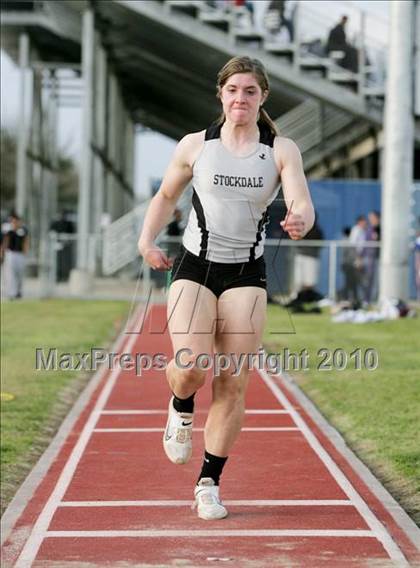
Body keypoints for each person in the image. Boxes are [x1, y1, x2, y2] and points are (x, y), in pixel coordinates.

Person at [138, 56, 314, 520]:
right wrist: (145, 240)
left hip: (247, 274)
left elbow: (300, 198)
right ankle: (180, 406)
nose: (241, 98)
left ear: (262, 97)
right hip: (196, 267)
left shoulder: (281, 149)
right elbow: (166, 196)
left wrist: (299, 219)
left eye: (250, 91)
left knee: (234, 380)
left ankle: (208, 483)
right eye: (233, 89)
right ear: (221, 94)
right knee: (191, 367)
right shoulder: (196, 146)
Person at [1, 212, 29, 299]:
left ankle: (19, 291)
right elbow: (5, 242)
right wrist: (2, 253)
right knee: (10, 273)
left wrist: (25, 252)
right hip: (11, 253)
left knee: (19, 274)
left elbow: (26, 241)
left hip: (20, 254)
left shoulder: (23, 230)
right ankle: (12, 293)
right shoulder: (9, 230)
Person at [363, 210, 380, 304]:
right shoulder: (369, 229)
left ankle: (375, 299)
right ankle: (367, 299)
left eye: (372, 218)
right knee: (368, 279)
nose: (371, 220)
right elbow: (365, 244)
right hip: (369, 258)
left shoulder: (380, 228)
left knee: (376, 280)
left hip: (377, 258)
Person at [349, 214, 367, 304]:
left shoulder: (363, 231)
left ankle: (360, 299)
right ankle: (354, 298)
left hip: (361, 257)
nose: (365, 223)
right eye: (364, 221)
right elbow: (353, 245)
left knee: (361, 279)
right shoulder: (356, 230)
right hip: (356, 258)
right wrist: (357, 258)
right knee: (356, 279)